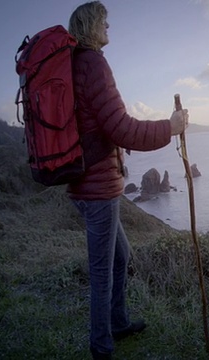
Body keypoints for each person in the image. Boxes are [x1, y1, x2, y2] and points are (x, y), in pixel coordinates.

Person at [67, 2, 188, 359]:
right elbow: (122, 126)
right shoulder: (93, 64)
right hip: (98, 188)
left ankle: (117, 323)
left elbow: (95, 125)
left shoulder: (73, 66)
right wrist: (170, 127)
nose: (109, 27)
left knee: (121, 258)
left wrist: (115, 141)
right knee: (103, 271)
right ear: (90, 26)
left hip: (84, 183)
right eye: (104, 21)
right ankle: (102, 347)